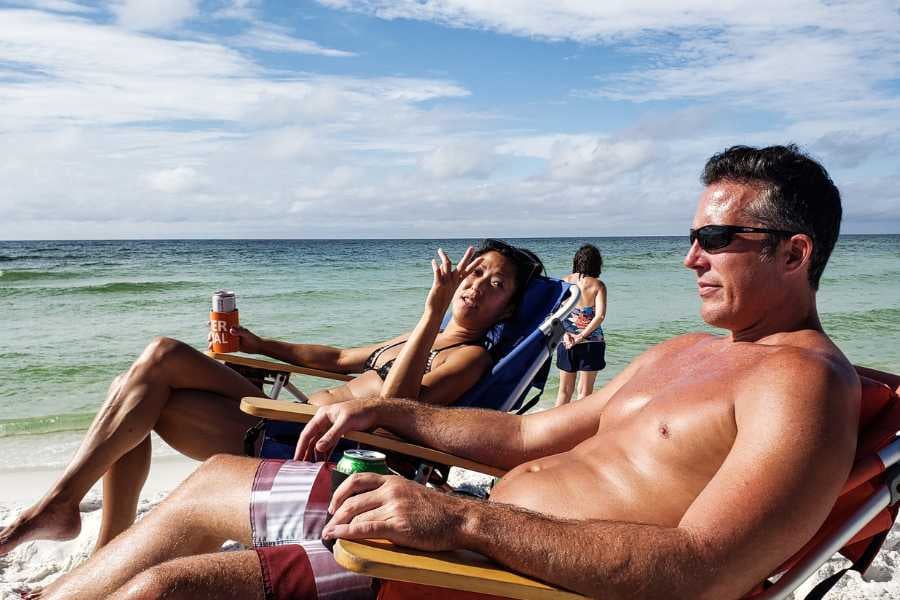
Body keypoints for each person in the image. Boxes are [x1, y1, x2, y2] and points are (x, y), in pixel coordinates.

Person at [39, 145, 860, 600]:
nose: (689, 259)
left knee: (170, 595)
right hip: (458, 535)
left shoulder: (802, 385)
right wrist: (388, 419)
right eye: (694, 236)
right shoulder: (682, 354)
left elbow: (702, 569)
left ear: (795, 253)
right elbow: (528, 431)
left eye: (716, 241)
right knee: (210, 481)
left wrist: (459, 524)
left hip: (486, 575)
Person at [0, 240, 544, 557]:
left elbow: (393, 410)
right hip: (290, 418)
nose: (475, 285)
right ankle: (95, 537)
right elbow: (332, 360)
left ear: (505, 312)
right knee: (133, 391)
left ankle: (66, 516)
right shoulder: (414, 339)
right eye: (475, 272)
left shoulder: (467, 358)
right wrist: (259, 345)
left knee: (154, 370)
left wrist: (432, 311)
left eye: (495, 285)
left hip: (305, 441)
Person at [555, 243, 607, 406]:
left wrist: (566, 335)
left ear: (577, 261)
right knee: (584, 392)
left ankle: (555, 428)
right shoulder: (598, 285)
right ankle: (577, 430)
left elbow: (555, 315)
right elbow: (600, 316)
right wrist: (581, 337)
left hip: (566, 341)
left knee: (564, 391)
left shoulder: (564, 282)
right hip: (591, 342)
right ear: (596, 264)